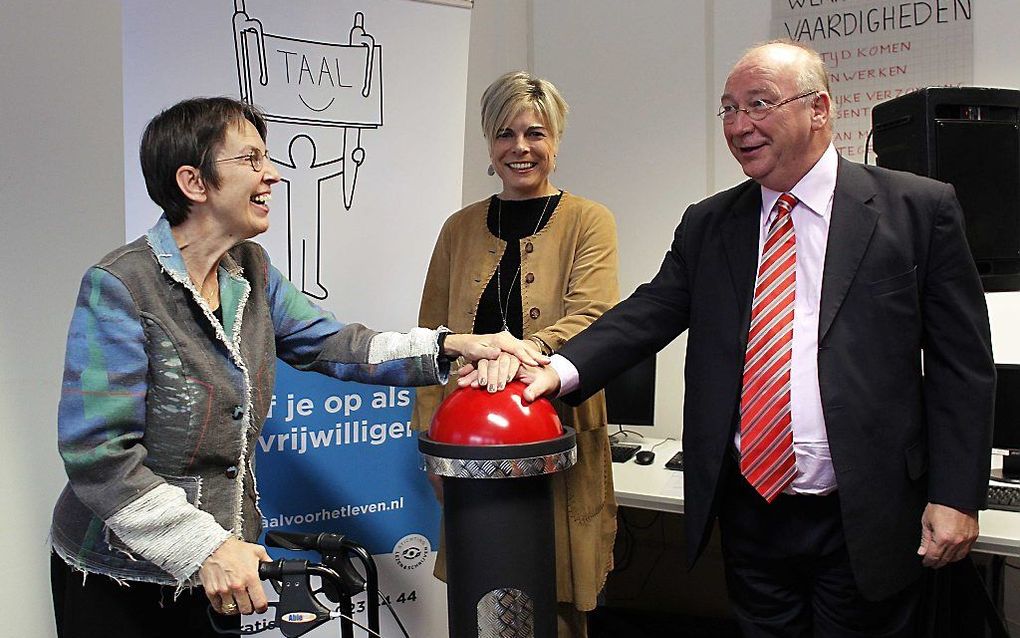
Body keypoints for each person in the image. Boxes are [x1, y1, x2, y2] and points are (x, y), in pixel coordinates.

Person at [514, 41, 995, 636]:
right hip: (753, 513)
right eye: (728, 110)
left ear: (819, 109)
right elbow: (648, 312)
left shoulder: (918, 210)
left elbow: (961, 367)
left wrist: (957, 495)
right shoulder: (710, 222)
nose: (739, 126)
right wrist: (556, 369)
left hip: (869, 512)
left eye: (758, 105)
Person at [48, 96, 540, 638]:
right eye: (251, 160)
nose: (273, 174)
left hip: (225, 565)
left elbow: (334, 344)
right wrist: (206, 545)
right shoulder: (120, 285)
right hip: (123, 576)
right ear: (193, 182)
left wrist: (451, 348)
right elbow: (97, 453)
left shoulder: (251, 270)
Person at [412, 71, 620, 637]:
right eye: (505, 134)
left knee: (555, 598)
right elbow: (432, 336)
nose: (520, 148)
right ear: (488, 142)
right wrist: (429, 438)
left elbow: (593, 316)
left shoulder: (589, 221)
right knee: (484, 595)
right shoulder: (457, 229)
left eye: (535, 133)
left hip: (559, 434)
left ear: (555, 140)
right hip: (468, 443)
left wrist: (522, 352)